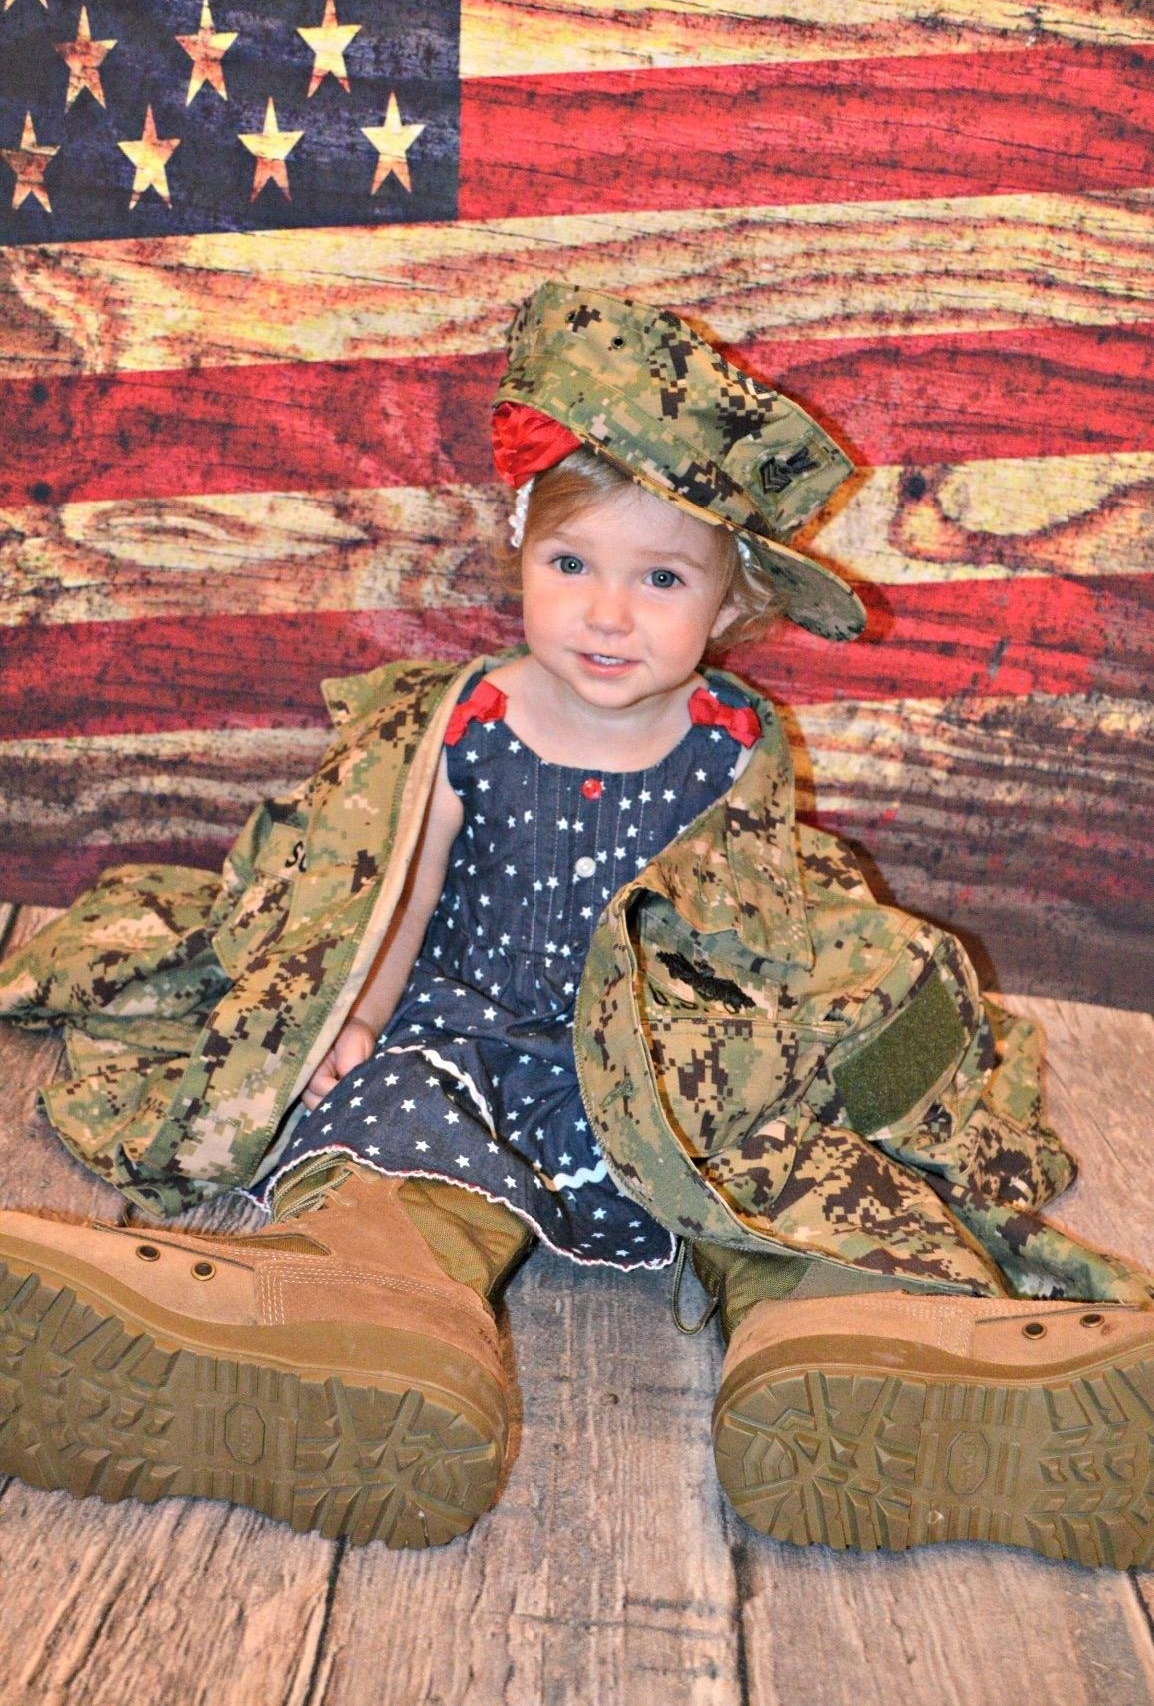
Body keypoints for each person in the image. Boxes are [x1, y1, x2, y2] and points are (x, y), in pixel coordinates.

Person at [1, 283, 1151, 1565]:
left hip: (662, 1056)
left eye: (658, 577)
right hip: (470, 1030)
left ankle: (855, 1328)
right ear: (520, 560)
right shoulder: (469, 719)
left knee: (775, 1156)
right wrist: (356, 1015)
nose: (607, 613)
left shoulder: (726, 748)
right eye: (570, 566)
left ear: (727, 604)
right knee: (392, 1129)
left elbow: (761, 920)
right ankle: (354, 1304)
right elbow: (396, 880)